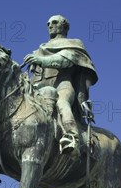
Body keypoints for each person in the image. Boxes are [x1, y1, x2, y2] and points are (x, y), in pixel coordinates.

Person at [23, 15, 98, 154]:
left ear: (64, 26)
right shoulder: (40, 49)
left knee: (62, 103)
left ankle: (71, 136)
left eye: (55, 22)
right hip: (39, 87)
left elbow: (65, 60)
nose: (50, 25)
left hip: (62, 85)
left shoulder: (74, 44)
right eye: (48, 23)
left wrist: (42, 60)